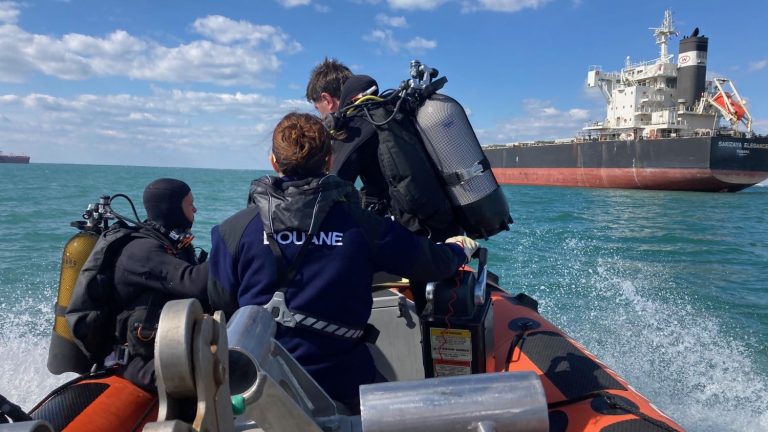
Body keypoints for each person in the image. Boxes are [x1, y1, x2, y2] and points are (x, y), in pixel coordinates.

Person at [208, 113, 477, 411]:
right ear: (328, 162)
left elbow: (222, 305)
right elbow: (429, 262)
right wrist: (458, 249)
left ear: (274, 161)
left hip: (255, 387)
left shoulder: (231, 231)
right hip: (343, 381)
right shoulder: (363, 227)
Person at [67, 178, 210, 393]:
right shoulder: (142, 251)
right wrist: (232, 249)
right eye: (190, 204)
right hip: (134, 362)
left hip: (161, 349)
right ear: (172, 209)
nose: (195, 209)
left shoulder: (170, 244)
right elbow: (193, 282)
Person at [306, 59, 390, 215]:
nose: (322, 117)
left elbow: (328, 190)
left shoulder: (354, 126)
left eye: (318, 109)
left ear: (327, 100)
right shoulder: (385, 114)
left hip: (410, 225)